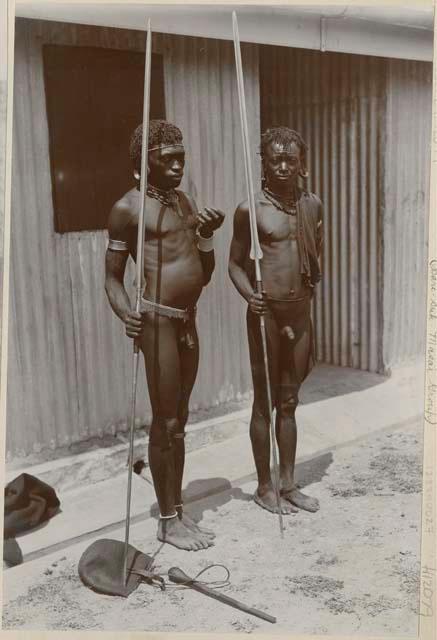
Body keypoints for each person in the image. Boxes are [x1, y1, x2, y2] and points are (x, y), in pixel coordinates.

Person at [105, 120, 225, 550]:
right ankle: (167, 520)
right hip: (155, 322)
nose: (178, 167)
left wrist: (207, 236)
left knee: (182, 421)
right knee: (166, 419)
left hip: (186, 320)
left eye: (181, 160)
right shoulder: (128, 209)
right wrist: (125, 314)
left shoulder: (183, 202)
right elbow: (112, 279)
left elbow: (204, 274)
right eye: (167, 160)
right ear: (142, 163)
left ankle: (176, 508)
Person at [228, 126, 323, 515]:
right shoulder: (251, 210)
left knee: (289, 401)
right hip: (266, 316)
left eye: (290, 159)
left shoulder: (313, 205)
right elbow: (234, 265)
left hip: (299, 312)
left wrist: (305, 296)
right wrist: (252, 297)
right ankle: (264, 487)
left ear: (301, 163)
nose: (283, 166)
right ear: (264, 164)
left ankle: (288, 483)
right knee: (264, 402)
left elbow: (317, 258)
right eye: (275, 159)